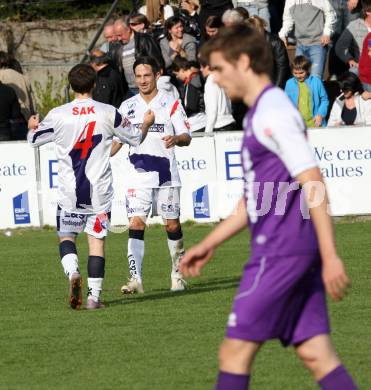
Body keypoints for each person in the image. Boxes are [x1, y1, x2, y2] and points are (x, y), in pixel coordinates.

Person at [179, 25, 356, 390]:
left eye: (218, 69)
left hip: (280, 254)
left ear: (243, 62)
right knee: (316, 355)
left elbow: (314, 182)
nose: (214, 80)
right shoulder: (262, 111)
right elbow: (254, 201)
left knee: (233, 354)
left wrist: (331, 254)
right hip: (293, 252)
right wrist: (209, 243)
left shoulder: (273, 111)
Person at [27, 63, 154, 310]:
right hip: (99, 194)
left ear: (71, 86)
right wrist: (147, 123)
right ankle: (94, 298)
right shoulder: (108, 112)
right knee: (96, 242)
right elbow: (136, 138)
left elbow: (34, 140)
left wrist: (33, 125)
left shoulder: (58, 114)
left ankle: (73, 272)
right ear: (94, 84)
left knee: (66, 237)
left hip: (69, 195)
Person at [112, 56, 191, 294]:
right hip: (137, 176)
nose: (143, 80)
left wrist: (176, 138)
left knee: (172, 225)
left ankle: (178, 275)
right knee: (135, 224)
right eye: (138, 76)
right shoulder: (127, 107)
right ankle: (135, 279)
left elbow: (187, 136)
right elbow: (116, 142)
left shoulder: (171, 102)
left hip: (166, 175)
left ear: (157, 75)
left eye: (147, 75)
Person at [279, 0, 336, 79]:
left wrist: (327, 33)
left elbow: (330, 14)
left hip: (318, 44)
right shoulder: (290, 1)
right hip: (300, 45)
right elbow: (288, 19)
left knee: (315, 79)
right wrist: (283, 34)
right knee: (298, 79)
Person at [113, 16, 164, 96]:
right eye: (117, 36)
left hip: (149, 87)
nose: (119, 38)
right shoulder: (118, 47)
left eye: (120, 35)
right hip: (131, 89)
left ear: (128, 29)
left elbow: (157, 61)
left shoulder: (145, 39)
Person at [246, 15, 290, 89]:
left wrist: (276, 88)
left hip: (273, 82)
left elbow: (282, 67)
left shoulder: (275, 42)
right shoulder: (248, 42)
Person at [285, 55, 329, 127]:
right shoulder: (289, 83)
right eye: (295, 73)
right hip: (297, 125)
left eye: (301, 73)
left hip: (315, 124)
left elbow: (324, 100)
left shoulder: (316, 81)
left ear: (307, 70)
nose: (298, 76)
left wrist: (320, 114)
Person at [200, 59, 236, 132]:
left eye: (202, 67)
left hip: (220, 126)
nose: (200, 69)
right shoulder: (222, 78)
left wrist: (207, 133)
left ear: (207, 67)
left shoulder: (210, 82)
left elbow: (212, 110)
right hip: (229, 123)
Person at [335, 1, 371, 75]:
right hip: (361, 66)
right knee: (351, 76)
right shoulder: (354, 26)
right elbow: (340, 46)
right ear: (368, 12)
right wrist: (349, 59)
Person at [171, 56, 206, 132]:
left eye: (176, 74)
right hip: (196, 122)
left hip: (199, 123)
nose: (177, 77)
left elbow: (192, 106)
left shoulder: (194, 81)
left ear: (182, 70)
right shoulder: (190, 81)